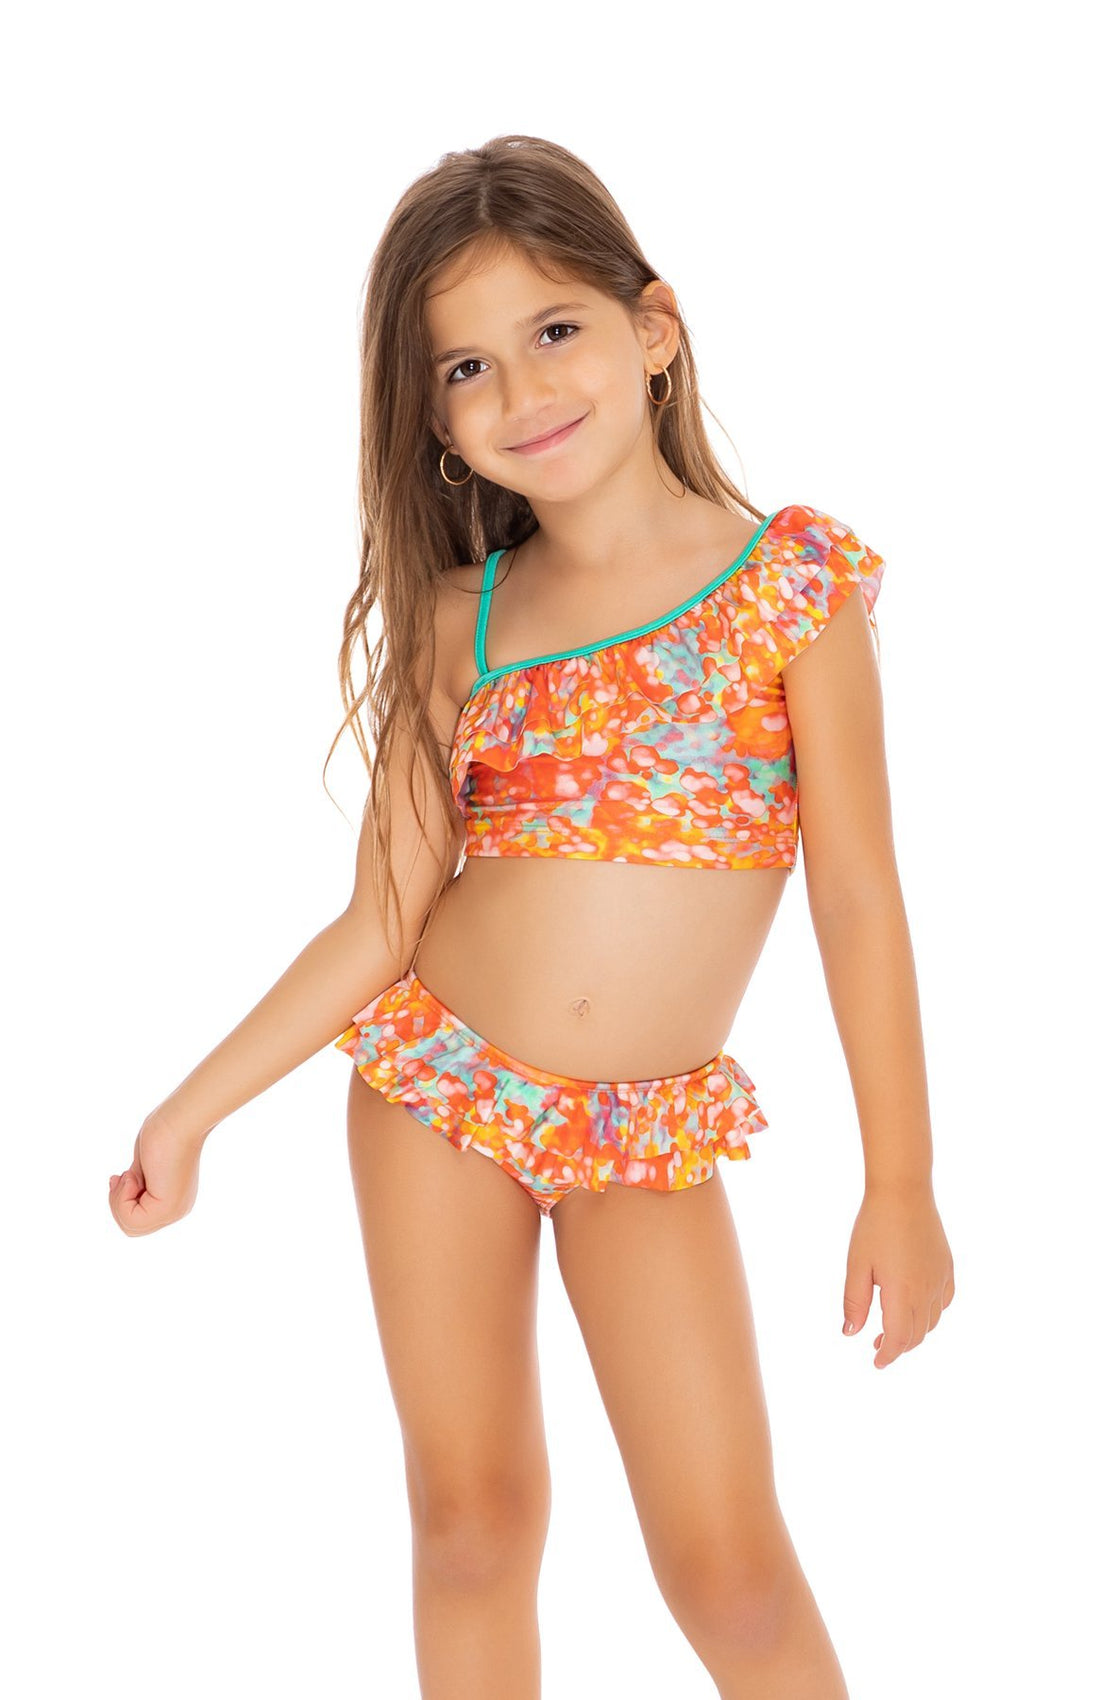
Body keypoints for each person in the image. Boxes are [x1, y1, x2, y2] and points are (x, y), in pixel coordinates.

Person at [109, 134, 955, 1699]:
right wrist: (192, 1110)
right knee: (472, 1524)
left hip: (643, 1129)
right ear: (434, 421)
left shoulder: (793, 592)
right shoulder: (463, 620)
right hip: (440, 1093)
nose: (520, 390)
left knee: (730, 1571)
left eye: (553, 330)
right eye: (466, 368)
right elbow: (379, 918)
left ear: (654, 328)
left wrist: (896, 1181)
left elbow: (856, 896)